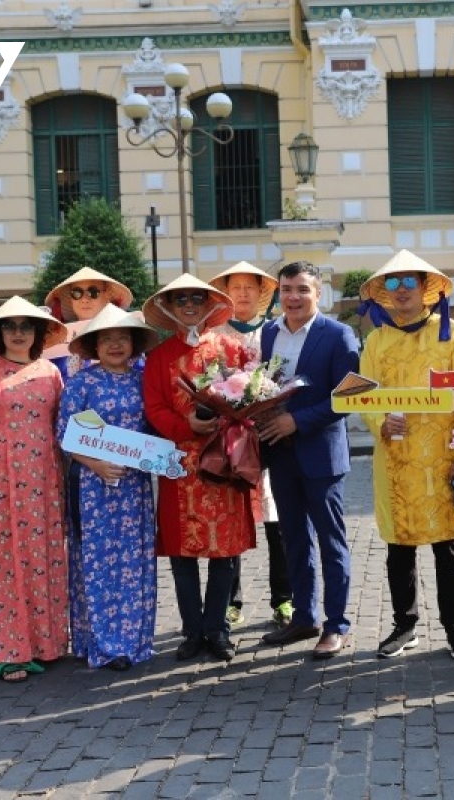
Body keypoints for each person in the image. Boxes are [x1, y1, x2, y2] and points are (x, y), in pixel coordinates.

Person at [357, 250, 454, 661]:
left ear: (428, 289)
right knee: (399, 547)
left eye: (410, 281)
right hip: (395, 458)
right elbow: (364, 391)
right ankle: (404, 625)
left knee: (450, 547)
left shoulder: (452, 334)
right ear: (383, 293)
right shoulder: (376, 339)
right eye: (392, 282)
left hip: (444, 454)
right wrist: (379, 422)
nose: (402, 290)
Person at [143, 274, 256, 663]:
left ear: (210, 304)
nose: (189, 304)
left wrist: (227, 421)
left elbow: (248, 397)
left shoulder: (231, 348)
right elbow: (154, 408)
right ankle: (192, 631)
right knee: (182, 554)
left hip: (221, 463)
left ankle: (217, 629)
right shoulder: (158, 357)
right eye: (180, 299)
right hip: (178, 466)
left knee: (224, 553)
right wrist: (184, 427)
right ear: (168, 308)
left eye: (196, 297)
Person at [0, 297, 71, 682]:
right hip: (1, 479)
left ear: (39, 333)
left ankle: (47, 643)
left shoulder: (50, 372)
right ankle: (11, 650)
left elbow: (64, 427)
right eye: (11, 326)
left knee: (45, 558)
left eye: (28, 326)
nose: (20, 333)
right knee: (6, 562)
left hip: (45, 480)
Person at [258, 261, 361, 660]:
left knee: (331, 541)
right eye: (286, 289)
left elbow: (347, 397)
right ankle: (304, 616)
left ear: (319, 294)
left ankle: (336, 626)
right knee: (293, 539)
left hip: (321, 455)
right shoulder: (269, 333)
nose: (293, 297)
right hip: (280, 454)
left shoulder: (338, 335)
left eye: (302, 289)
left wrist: (296, 422)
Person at [57, 306, 160, 671]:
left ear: (133, 344)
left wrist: (153, 456)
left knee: (133, 561)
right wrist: (96, 464)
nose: (115, 345)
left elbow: (153, 433)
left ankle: (133, 640)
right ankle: (102, 642)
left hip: (134, 488)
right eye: (106, 339)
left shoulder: (142, 381)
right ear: (94, 346)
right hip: (92, 487)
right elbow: (65, 434)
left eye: (122, 338)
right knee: (96, 564)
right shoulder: (82, 384)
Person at [209, 262, 293, 630]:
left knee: (278, 519)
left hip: (272, 434)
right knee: (231, 517)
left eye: (250, 287)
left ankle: (284, 598)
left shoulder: (276, 332)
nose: (243, 293)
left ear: (263, 293)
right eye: (235, 286)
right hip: (232, 438)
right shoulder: (213, 337)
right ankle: (231, 600)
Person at [43, 267, 135, 380]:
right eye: (77, 293)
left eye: (93, 292)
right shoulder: (56, 344)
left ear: (106, 297)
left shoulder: (126, 340)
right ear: (71, 300)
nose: (85, 299)